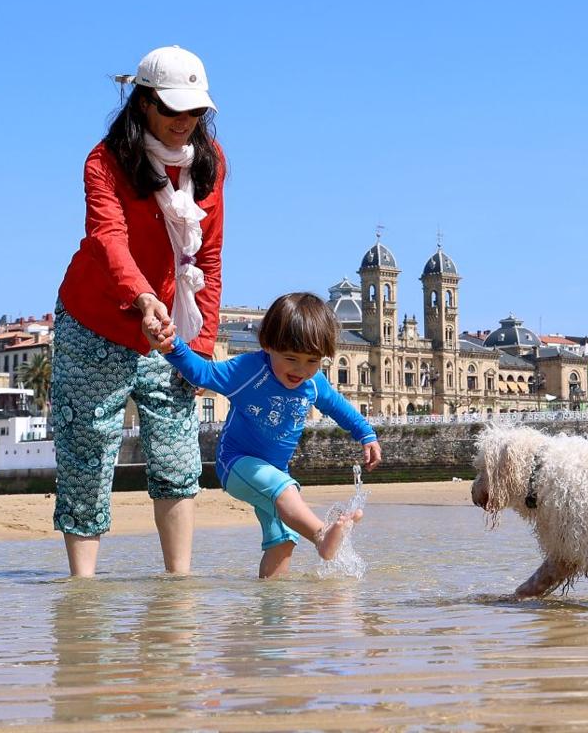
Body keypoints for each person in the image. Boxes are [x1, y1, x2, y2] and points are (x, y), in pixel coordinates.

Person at [52, 45, 227, 578]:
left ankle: (180, 584)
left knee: (176, 453)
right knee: (88, 449)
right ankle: (82, 591)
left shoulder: (211, 165)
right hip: (96, 320)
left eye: (196, 111)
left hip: (174, 328)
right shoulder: (104, 161)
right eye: (173, 110)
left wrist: (199, 348)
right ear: (144, 102)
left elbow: (211, 257)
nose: (186, 122)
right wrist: (144, 297)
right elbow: (108, 238)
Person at [156, 291, 383, 579]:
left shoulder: (314, 383)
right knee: (287, 491)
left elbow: (340, 408)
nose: (300, 370)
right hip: (237, 463)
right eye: (291, 358)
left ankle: (273, 613)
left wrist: (366, 434)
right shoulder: (248, 370)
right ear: (268, 345)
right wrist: (172, 345)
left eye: (312, 361)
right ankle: (322, 536)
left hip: (276, 472)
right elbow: (202, 373)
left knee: (284, 539)